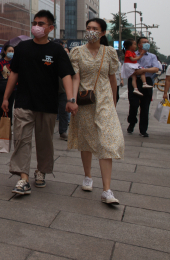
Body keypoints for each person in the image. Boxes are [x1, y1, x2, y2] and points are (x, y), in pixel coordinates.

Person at [2, 10, 77, 195]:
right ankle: (23, 178)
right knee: (22, 140)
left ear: (51, 28)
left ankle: (41, 171)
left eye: (41, 23)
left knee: (45, 142)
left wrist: (71, 99)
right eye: (35, 22)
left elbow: (67, 75)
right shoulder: (22, 48)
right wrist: (5, 97)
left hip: (47, 104)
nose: (37, 26)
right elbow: (14, 73)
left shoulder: (57, 50)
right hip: (23, 102)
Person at [69, 18, 124, 204]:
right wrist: (73, 100)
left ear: (102, 33)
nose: (90, 31)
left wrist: (114, 104)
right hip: (85, 101)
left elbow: (113, 80)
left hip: (106, 102)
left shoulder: (109, 52)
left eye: (95, 28)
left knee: (106, 141)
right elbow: (75, 78)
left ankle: (107, 190)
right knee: (86, 138)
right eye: (88, 28)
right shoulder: (76, 52)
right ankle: (87, 176)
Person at [126, 36, 161, 137]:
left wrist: (143, 70)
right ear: (139, 45)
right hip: (134, 81)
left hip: (147, 81)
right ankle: (132, 122)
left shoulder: (152, 56)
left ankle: (143, 129)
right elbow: (128, 66)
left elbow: (156, 69)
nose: (147, 43)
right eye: (144, 42)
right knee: (134, 104)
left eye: (147, 42)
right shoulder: (132, 54)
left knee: (145, 106)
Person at [0, 45, 15, 129]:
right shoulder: (0, 62)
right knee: (2, 105)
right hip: (2, 85)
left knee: (10, 106)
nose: (11, 53)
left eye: (12, 51)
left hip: (13, 86)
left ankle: (8, 125)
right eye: (9, 51)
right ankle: (1, 119)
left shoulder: (15, 62)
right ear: (5, 52)